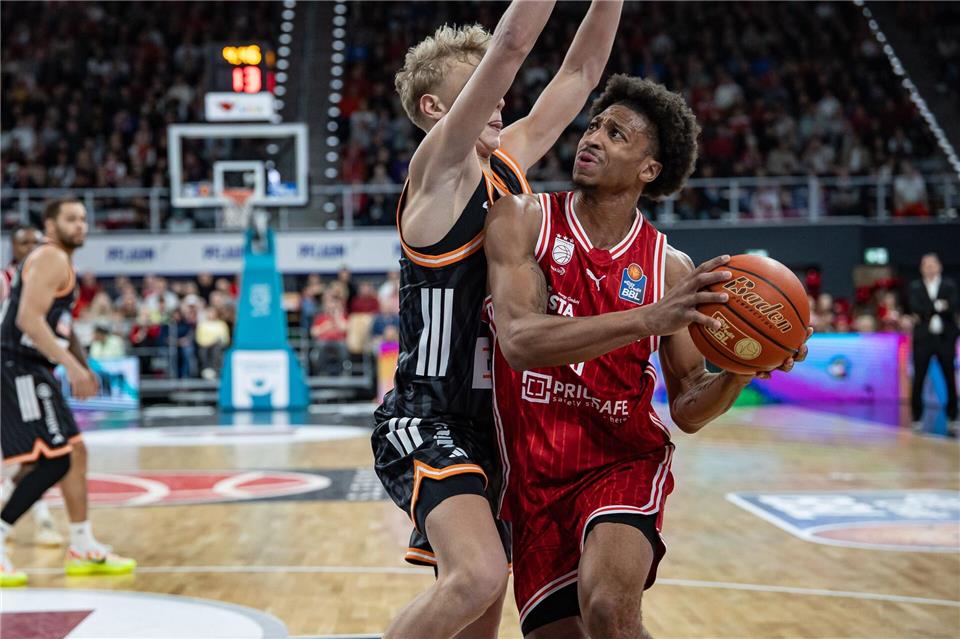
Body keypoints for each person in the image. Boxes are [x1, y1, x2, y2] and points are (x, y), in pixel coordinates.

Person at [485, 75, 811, 637]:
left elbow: (687, 407)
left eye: (616, 134)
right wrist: (648, 318)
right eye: (593, 125)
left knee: (609, 610)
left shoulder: (670, 268)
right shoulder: (524, 219)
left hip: (622, 461)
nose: (592, 138)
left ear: (649, 170)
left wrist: (740, 369)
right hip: (534, 476)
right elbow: (518, 343)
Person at [371, 2, 624, 637]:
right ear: (436, 110)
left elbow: (581, 72)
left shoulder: (504, 167)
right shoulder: (438, 174)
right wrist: (500, 55)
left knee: (479, 615)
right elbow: (511, 44)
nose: (503, 98)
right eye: (482, 83)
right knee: (478, 575)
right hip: (429, 415)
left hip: (501, 425)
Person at [1, 198, 136, 587]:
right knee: (53, 461)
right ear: (50, 223)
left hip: (34, 366)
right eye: (70, 219)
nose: (80, 225)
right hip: (18, 367)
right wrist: (73, 367)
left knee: (75, 452)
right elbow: (29, 319)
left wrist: (82, 362)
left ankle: (82, 544)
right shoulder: (51, 257)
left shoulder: (61, 261)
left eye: (83, 218)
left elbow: (60, 323)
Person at [906, 253, 958, 434]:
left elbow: (953, 307)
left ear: (939, 266)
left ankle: (953, 417)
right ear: (921, 268)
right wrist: (937, 306)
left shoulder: (949, 286)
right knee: (918, 378)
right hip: (923, 340)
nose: (929, 268)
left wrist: (929, 308)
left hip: (945, 339)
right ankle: (917, 418)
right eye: (926, 265)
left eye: (932, 265)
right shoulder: (915, 287)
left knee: (949, 377)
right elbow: (914, 307)